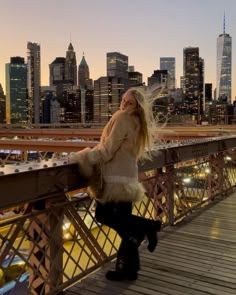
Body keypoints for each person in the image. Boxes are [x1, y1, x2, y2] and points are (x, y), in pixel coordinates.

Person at [69, 86, 162, 281]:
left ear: (135, 106)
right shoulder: (139, 122)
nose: (124, 104)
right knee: (127, 230)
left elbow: (107, 151)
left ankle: (149, 226)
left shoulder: (122, 118)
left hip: (114, 180)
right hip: (127, 178)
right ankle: (128, 270)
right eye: (123, 100)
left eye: (129, 102)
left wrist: (80, 157)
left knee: (102, 215)